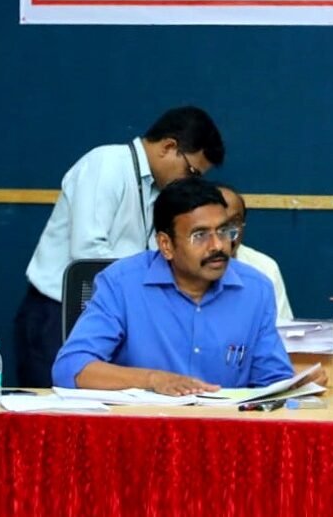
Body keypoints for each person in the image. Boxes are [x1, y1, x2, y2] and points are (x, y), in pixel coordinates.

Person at [15, 106, 225, 386]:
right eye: (191, 171)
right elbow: (88, 252)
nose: (191, 182)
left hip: (116, 315)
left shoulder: (159, 190)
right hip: (60, 313)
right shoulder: (106, 164)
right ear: (168, 147)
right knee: (54, 407)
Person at [53, 178, 321, 394]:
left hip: (223, 432)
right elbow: (71, 368)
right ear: (166, 245)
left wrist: (296, 385)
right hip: (143, 429)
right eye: (200, 235)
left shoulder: (255, 289)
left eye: (224, 231)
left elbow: (271, 380)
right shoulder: (121, 284)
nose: (218, 245)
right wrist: (153, 380)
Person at [217, 185, 293, 323]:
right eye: (219, 225)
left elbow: (281, 329)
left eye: (234, 222)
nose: (228, 234)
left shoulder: (265, 268)